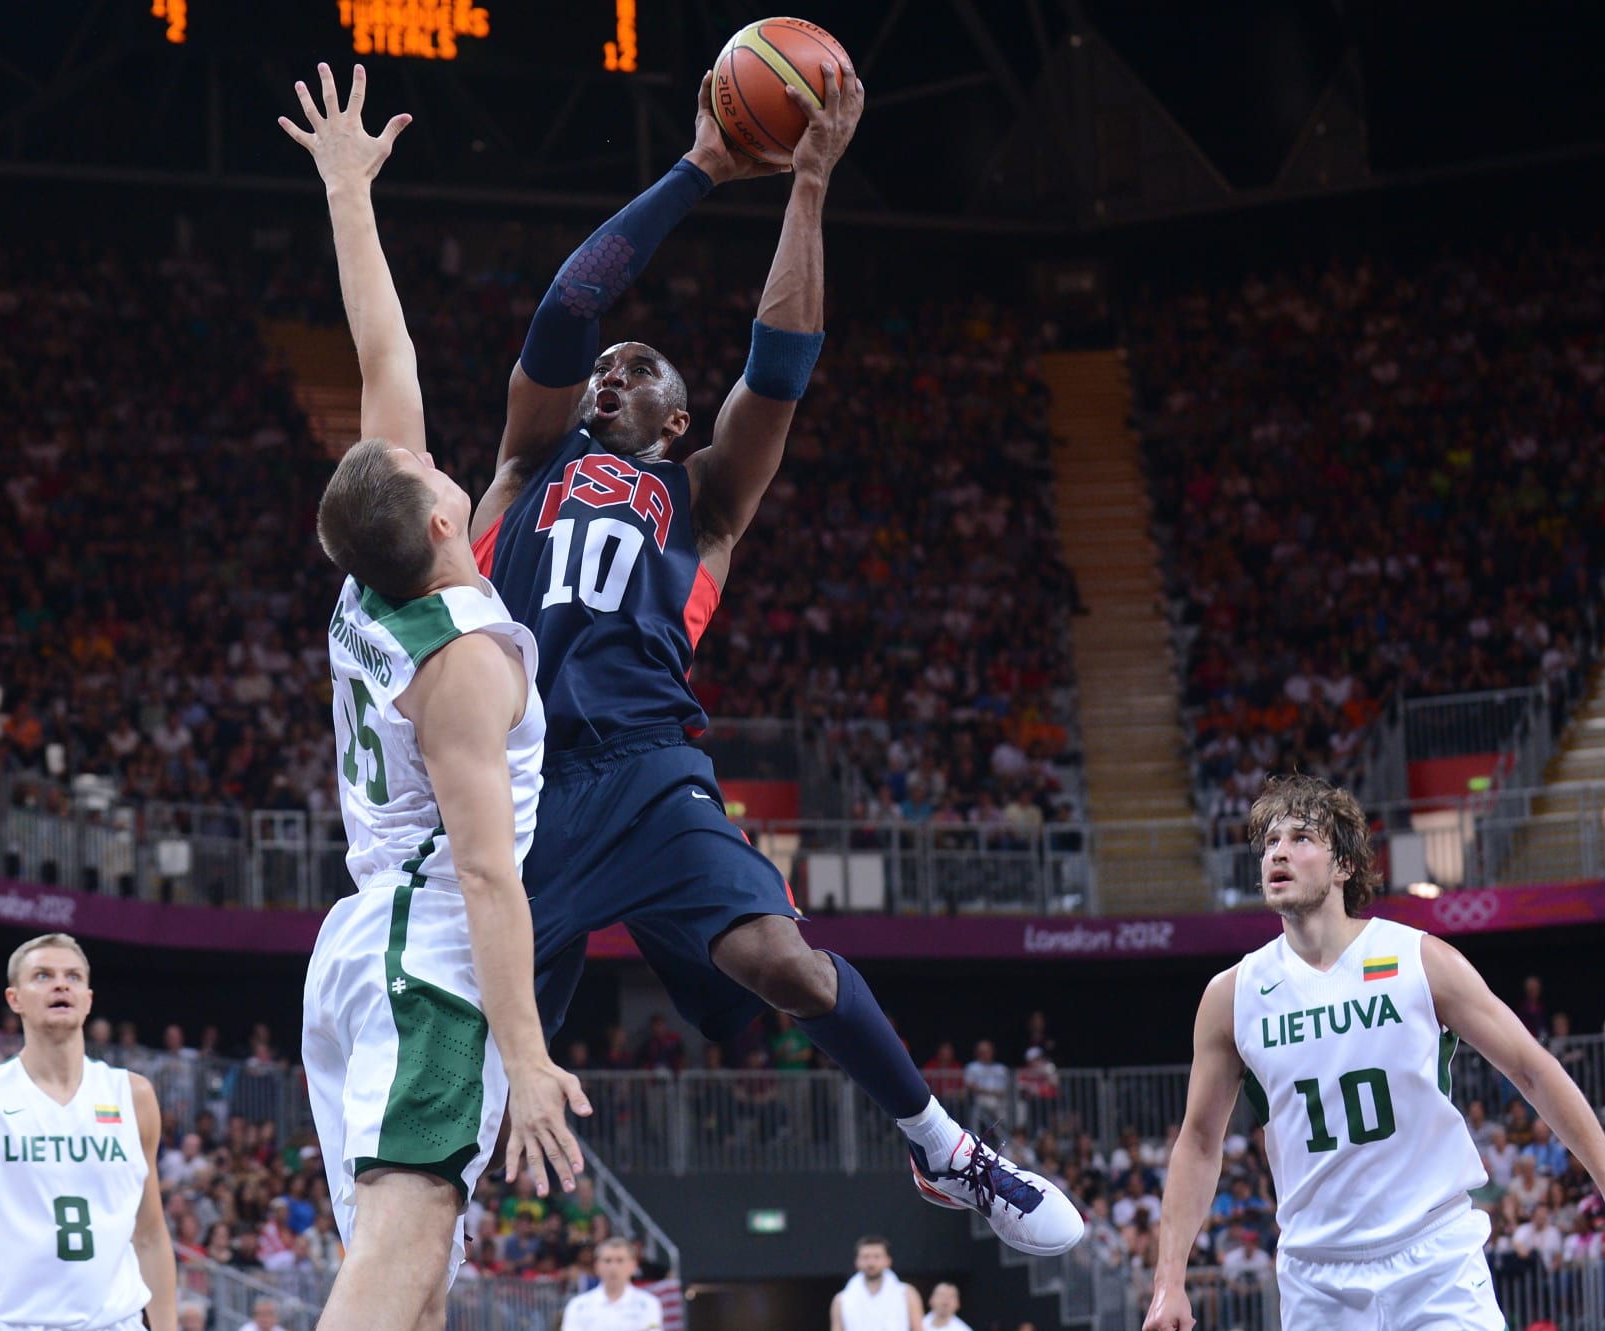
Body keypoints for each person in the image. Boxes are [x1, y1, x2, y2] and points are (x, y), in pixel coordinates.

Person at [469, 47, 1077, 1258]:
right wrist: (702, 165)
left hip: (647, 767)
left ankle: (941, 1147)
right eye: (601, 372)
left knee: (784, 965)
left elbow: (779, 364)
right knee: (477, 1070)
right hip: (520, 786)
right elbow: (564, 308)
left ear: (676, 420)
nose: (605, 376)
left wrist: (805, 184)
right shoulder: (526, 462)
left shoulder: (706, 499)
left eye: (633, 374)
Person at [278, 61, 591, 1330]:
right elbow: (483, 873)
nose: (412, 431)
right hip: (424, 950)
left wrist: (348, 190)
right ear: (442, 512)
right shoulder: (460, 655)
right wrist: (522, 1049)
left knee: (412, 1281)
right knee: (408, 1238)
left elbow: (382, 344)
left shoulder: (369, 582)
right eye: (413, 454)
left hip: (360, 947)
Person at [1144, 775, 1605, 1331]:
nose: (1278, 851)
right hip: (1317, 1280)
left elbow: (1532, 1068)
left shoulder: (1419, 959)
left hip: (1434, 1258)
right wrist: (1168, 1281)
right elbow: (1199, 1143)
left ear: (1344, 865)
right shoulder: (1233, 994)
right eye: (1270, 842)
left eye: (1301, 837)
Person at [0, 934, 178, 1331]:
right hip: (11, 1323)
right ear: (14, 999)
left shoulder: (134, 1096)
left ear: (87, 998)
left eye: (73, 976)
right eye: (43, 975)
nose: (60, 984)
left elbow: (151, 1235)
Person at [559, 1237, 662, 1331]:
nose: (613, 1267)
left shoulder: (648, 1304)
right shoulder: (578, 1306)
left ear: (633, 1266)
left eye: (620, 1260)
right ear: (597, 1266)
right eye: (607, 1261)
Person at [831, 1236, 921, 1331]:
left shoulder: (907, 1293)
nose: (871, 1262)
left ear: (888, 1261)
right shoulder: (841, 1299)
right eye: (865, 1257)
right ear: (857, 1262)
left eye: (877, 1257)